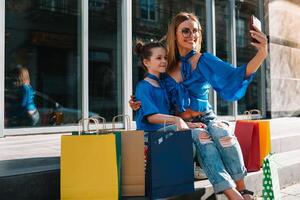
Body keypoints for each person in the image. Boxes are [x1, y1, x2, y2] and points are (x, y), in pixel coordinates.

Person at [131, 12, 268, 199]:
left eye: (195, 30)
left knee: (223, 134)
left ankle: (243, 190)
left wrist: (262, 53)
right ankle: (231, 194)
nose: (191, 35)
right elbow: (152, 88)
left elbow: (235, 75)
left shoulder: (205, 60)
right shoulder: (165, 62)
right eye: (185, 31)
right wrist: (137, 102)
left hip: (206, 117)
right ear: (175, 34)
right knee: (203, 138)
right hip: (182, 124)